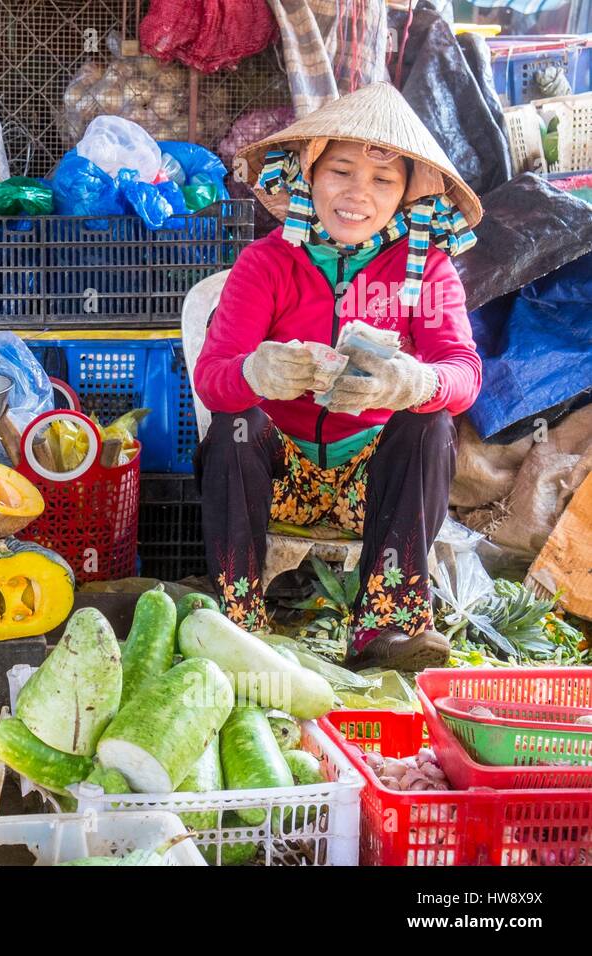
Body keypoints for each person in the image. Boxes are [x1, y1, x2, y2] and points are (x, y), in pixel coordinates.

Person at [193, 82, 483, 671]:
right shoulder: (266, 263)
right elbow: (213, 378)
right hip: (280, 473)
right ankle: (239, 616)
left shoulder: (425, 272)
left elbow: (463, 372)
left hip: (369, 480)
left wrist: (415, 383)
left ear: (404, 193)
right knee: (236, 427)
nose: (358, 195)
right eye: (340, 172)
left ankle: (388, 623)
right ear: (310, 176)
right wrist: (256, 371)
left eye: (383, 180)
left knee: (430, 426)